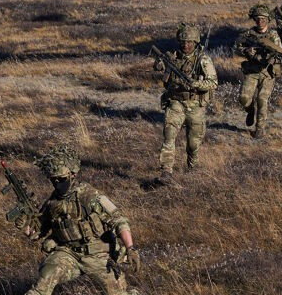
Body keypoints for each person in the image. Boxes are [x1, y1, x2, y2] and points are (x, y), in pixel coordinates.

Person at [19, 144, 137, 295]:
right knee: (43, 281)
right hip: (68, 254)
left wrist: (130, 248)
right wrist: (28, 228)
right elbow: (38, 231)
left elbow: (119, 221)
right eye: (53, 180)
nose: (57, 184)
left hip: (97, 256)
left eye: (61, 179)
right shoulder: (52, 202)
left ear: (72, 175)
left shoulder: (90, 196)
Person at [153, 23, 218, 184]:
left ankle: (192, 166)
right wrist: (160, 63)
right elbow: (158, 67)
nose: (186, 45)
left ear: (195, 42)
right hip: (176, 102)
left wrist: (196, 84)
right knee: (169, 136)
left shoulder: (203, 60)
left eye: (189, 42)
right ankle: (166, 172)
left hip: (195, 105)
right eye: (183, 42)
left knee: (193, 144)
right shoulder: (173, 57)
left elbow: (213, 82)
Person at [233, 5, 282, 139]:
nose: (260, 21)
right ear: (254, 19)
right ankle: (250, 110)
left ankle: (260, 129)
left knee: (262, 99)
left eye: (263, 19)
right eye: (258, 19)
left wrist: (269, 57)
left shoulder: (273, 36)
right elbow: (236, 48)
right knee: (244, 98)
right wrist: (246, 51)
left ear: (268, 20)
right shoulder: (248, 35)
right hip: (252, 71)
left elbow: (279, 53)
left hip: (267, 72)